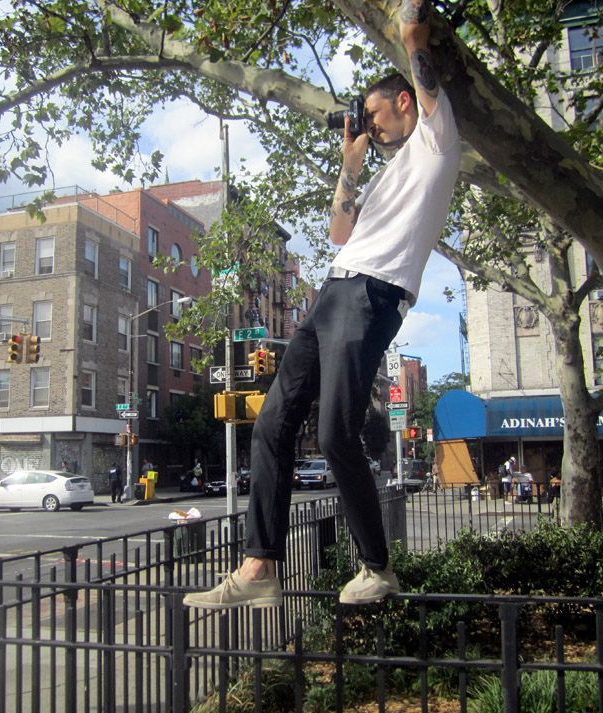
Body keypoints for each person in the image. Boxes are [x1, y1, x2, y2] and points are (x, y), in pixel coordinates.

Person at [184, 2, 460, 610]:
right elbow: (338, 233)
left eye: (373, 115)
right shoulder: (386, 173)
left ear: (405, 101)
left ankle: (378, 567)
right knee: (273, 423)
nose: (370, 127)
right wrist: (349, 166)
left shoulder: (437, 141)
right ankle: (259, 567)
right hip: (335, 291)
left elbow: (417, 45)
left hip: (372, 296)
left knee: (336, 433)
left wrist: (411, 31)